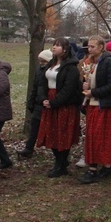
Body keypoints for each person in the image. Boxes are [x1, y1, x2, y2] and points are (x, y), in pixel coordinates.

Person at [36, 38, 82, 177]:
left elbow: (69, 89)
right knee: (51, 132)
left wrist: (54, 102)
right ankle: (59, 162)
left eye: (58, 45)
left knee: (63, 133)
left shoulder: (71, 67)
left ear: (65, 49)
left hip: (63, 104)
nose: (54, 47)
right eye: (54, 45)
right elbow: (42, 82)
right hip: (49, 101)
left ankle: (61, 164)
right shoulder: (51, 64)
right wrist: (43, 98)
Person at [79, 36, 111, 184]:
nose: (89, 49)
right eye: (88, 47)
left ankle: (98, 167)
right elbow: (89, 80)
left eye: (92, 47)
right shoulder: (90, 62)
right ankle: (100, 165)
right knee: (91, 136)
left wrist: (94, 92)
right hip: (91, 104)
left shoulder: (108, 62)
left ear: (101, 47)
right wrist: (85, 86)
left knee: (100, 136)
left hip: (102, 104)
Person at [18, 50, 53, 159]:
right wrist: (31, 101)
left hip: (47, 103)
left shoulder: (50, 71)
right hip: (38, 102)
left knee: (49, 128)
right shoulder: (39, 70)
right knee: (34, 126)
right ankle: (29, 148)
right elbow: (35, 87)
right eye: (40, 60)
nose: (41, 62)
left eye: (43, 60)